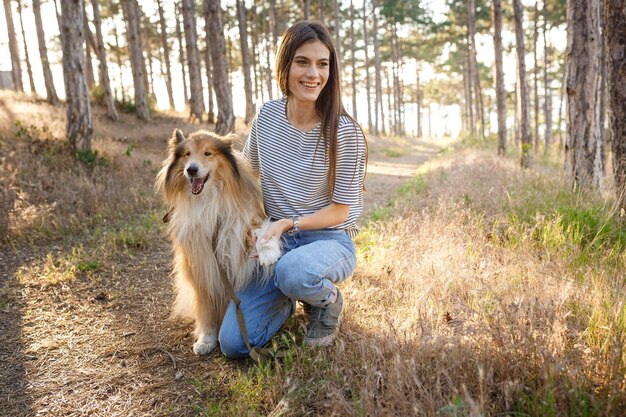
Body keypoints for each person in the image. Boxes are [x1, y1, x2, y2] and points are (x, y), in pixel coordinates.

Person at [218, 20, 367, 358]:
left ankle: (326, 300)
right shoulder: (268, 115)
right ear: (285, 66)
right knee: (234, 344)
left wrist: (289, 223)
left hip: (328, 239)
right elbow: (248, 175)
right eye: (302, 62)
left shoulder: (346, 133)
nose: (313, 73)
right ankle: (285, 297)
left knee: (294, 270)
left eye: (322, 64)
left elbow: (341, 211)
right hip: (274, 242)